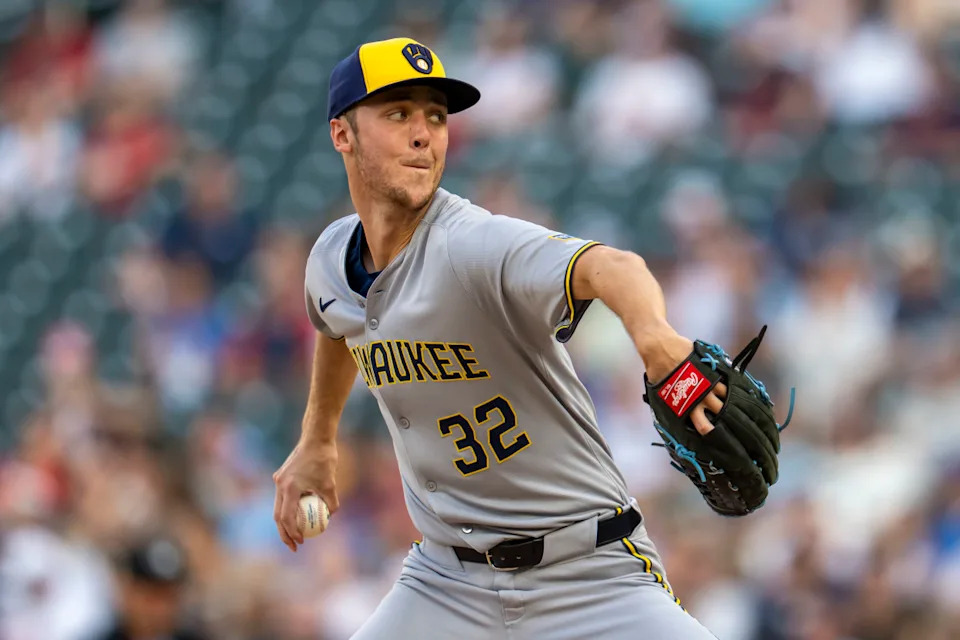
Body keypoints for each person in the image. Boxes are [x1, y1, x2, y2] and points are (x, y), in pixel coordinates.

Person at [272, 37, 730, 639]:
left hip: (588, 576)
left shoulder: (472, 247)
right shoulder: (332, 257)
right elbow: (338, 322)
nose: (423, 134)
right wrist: (318, 440)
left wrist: (655, 342)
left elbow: (613, 269)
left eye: (435, 116)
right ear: (342, 135)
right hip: (445, 583)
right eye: (398, 113)